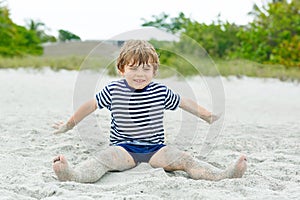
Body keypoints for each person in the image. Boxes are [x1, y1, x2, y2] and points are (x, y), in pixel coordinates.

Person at [52, 40, 247, 183]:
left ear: (154, 71)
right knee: (103, 159)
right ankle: (73, 175)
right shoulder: (113, 90)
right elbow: (90, 105)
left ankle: (223, 175)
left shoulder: (160, 91)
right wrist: (69, 125)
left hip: (156, 150)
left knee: (186, 159)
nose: (140, 74)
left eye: (146, 69)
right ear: (122, 69)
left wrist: (207, 116)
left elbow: (183, 102)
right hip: (124, 148)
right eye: (134, 68)